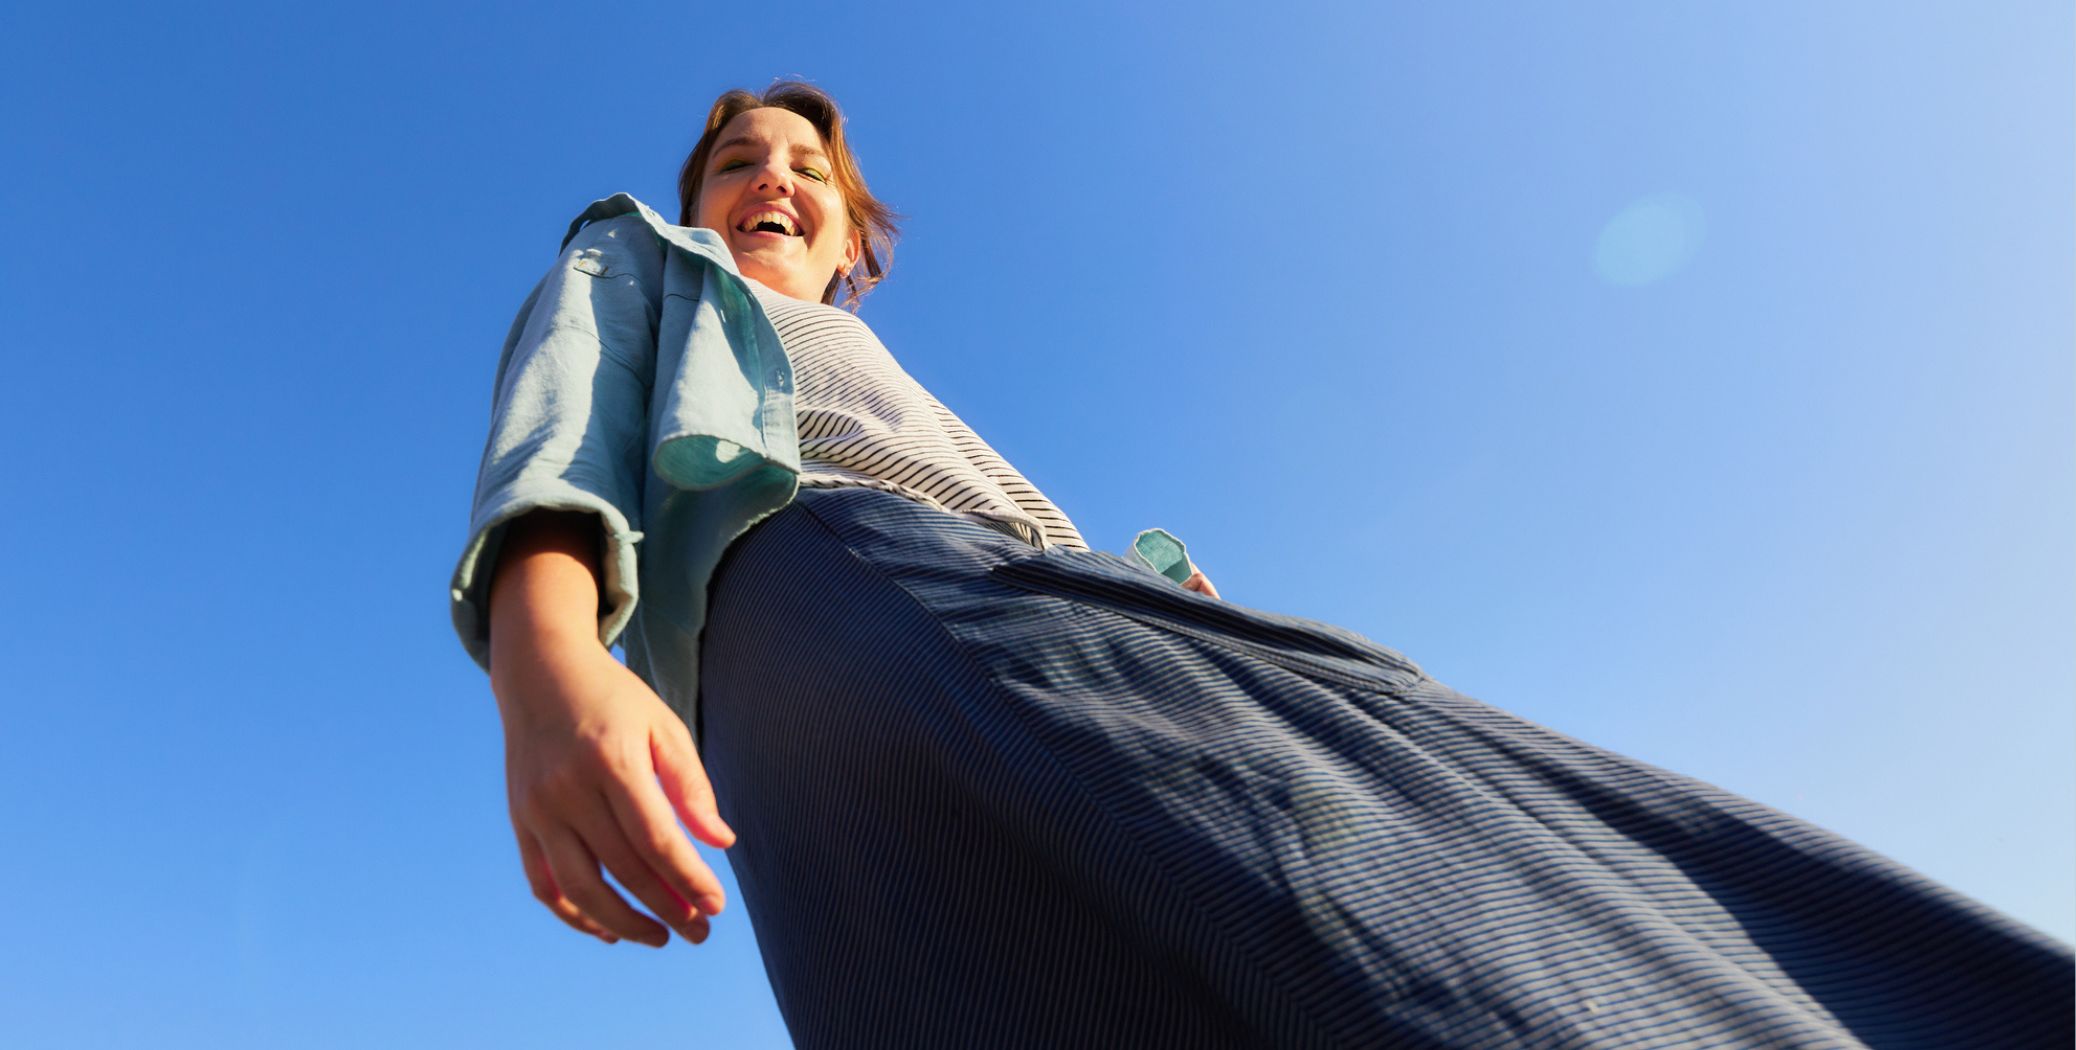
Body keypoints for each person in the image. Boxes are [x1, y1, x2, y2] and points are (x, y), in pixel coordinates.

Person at [453, 81, 2072, 1049]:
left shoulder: (887, 377)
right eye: (741, 158)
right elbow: (563, 429)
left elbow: (1020, 548)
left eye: (806, 165)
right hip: (839, 609)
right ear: (694, 196)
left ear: (854, 236)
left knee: (1496, 888)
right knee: (1396, 925)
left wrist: (1152, 591)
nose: (773, 179)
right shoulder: (644, 263)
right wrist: (552, 662)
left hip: (1043, 614)